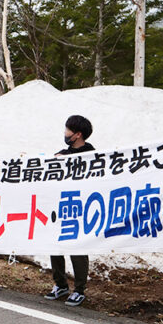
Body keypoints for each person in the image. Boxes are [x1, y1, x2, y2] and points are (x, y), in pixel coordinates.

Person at [45, 114, 95, 307]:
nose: (65, 133)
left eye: (68, 130)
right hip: (61, 207)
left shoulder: (93, 155)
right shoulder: (62, 154)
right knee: (55, 246)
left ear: (77, 134)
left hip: (81, 209)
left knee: (78, 248)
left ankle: (79, 289)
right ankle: (60, 285)